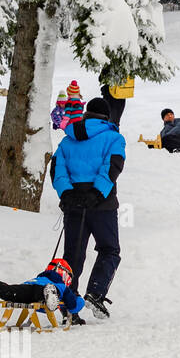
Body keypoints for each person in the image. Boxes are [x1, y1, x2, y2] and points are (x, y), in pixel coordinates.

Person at [49, 97, 126, 318]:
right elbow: (112, 167)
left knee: (72, 255)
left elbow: (57, 169)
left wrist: (67, 193)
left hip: (73, 206)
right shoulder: (114, 138)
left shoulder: (67, 140)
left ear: (86, 114)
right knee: (109, 250)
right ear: (106, 116)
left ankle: (68, 307)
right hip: (102, 205)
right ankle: (95, 293)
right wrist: (97, 193)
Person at [0, 258, 86, 326]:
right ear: (64, 273)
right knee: (47, 293)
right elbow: (72, 305)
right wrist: (80, 300)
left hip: (27, 287)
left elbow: (40, 308)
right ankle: (50, 292)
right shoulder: (61, 284)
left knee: (9, 292)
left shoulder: (39, 277)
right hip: (43, 291)